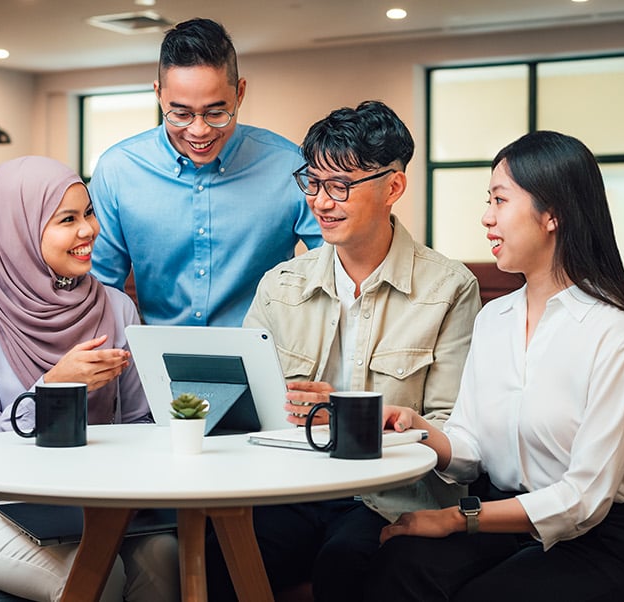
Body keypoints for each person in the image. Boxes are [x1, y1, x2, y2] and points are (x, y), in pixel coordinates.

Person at [204, 101, 481, 601]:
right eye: (312, 182)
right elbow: (239, 414)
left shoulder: (448, 287)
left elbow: (454, 435)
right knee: (216, 551)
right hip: (291, 489)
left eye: (340, 186)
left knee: (345, 564)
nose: (321, 202)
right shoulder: (280, 285)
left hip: (389, 496)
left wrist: (346, 415)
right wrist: (277, 405)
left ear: (393, 187)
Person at [367, 131, 624, 602]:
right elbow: (471, 447)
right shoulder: (494, 319)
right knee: (399, 566)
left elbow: (584, 498)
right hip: (500, 520)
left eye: (499, 200)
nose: (486, 217)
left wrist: (455, 518)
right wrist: (419, 428)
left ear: (552, 215)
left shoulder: (614, 335)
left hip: (595, 542)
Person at [0, 156, 178, 602]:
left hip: (97, 503)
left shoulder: (116, 307)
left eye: (89, 213)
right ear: (15, 233)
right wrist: (53, 388)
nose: (89, 230)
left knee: (168, 558)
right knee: (96, 580)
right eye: (67, 219)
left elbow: (142, 421)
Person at [89, 18, 321, 327]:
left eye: (215, 112)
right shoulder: (117, 170)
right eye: (181, 113)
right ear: (158, 94)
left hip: (266, 355)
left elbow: (334, 265)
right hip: (156, 359)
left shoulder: (289, 164)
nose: (199, 130)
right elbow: (100, 285)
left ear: (240, 93)